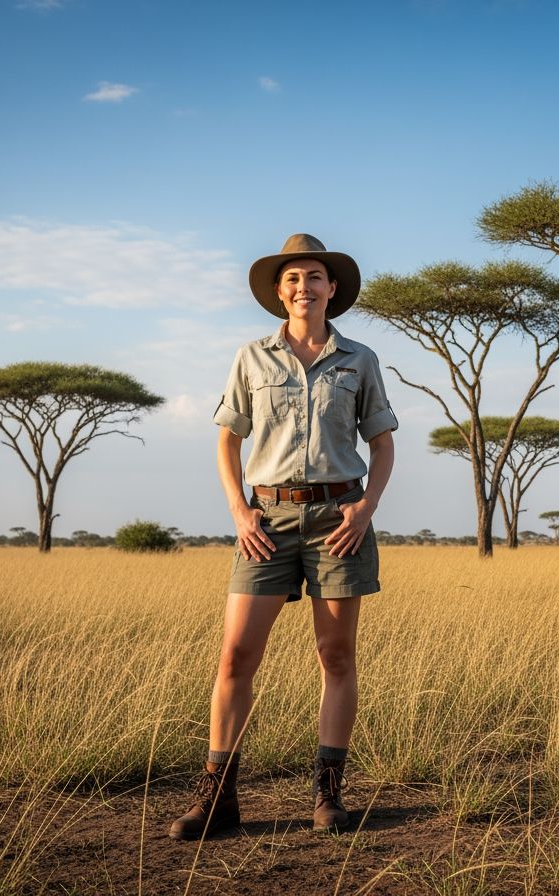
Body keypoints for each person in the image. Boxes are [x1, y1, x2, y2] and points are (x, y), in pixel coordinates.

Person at [169, 233, 397, 841]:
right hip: (266, 521)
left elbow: (381, 444)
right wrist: (239, 512)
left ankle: (328, 794)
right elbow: (228, 440)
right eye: (293, 278)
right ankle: (218, 798)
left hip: (338, 522)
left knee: (336, 656)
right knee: (236, 656)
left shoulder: (359, 360)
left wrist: (365, 509)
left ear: (332, 288)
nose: (304, 287)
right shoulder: (251, 358)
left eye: (315, 276)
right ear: (279, 292)